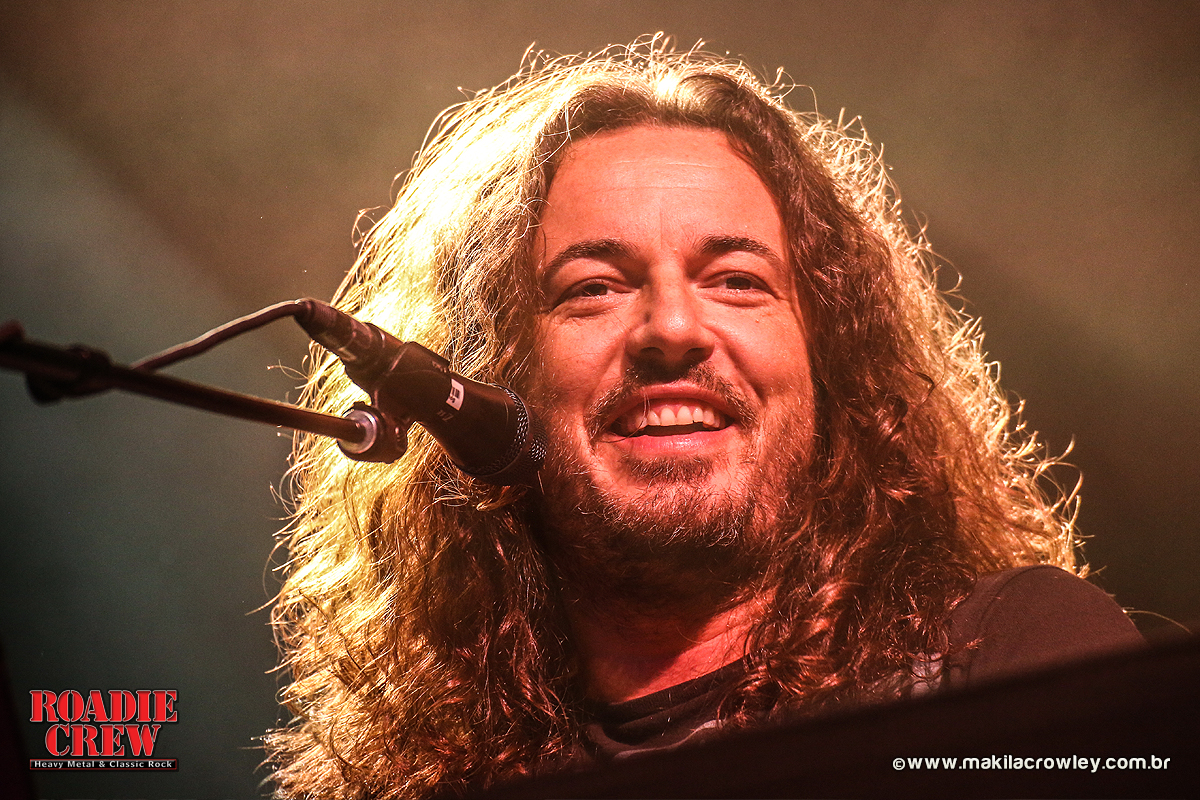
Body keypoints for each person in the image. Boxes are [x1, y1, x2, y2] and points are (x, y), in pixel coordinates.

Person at [265, 40, 1142, 799]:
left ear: (829, 358)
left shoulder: (1008, 658)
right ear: (494, 375)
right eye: (594, 288)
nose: (673, 328)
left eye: (736, 280)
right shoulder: (420, 775)